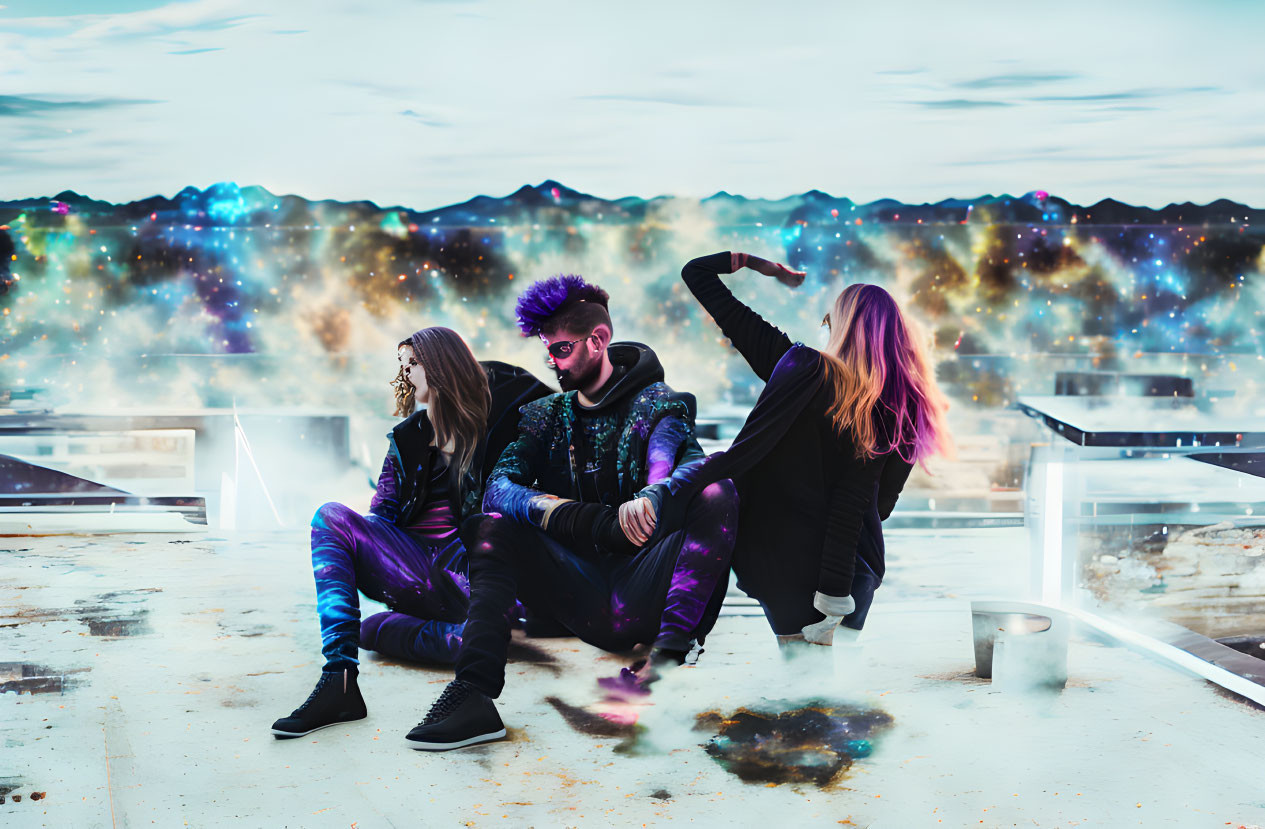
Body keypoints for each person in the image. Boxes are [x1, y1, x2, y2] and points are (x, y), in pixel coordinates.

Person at [404, 274, 739, 751]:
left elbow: (677, 467)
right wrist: (566, 513)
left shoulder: (659, 407)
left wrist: (652, 496)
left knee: (717, 492)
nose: (552, 361)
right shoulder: (544, 417)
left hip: (642, 587)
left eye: (560, 349)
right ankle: (474, 693)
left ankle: (668, 654)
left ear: (598, 341)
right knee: (488, 525)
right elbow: (498, 489)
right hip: (578, 591)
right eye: (548, 351)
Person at [639, 251, 952, 649]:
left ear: (839, 327)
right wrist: (835, 593)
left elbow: (695, 272)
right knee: (834, 700)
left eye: (828, 322)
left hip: (782, 562)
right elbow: (875, 506)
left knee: (801, 696)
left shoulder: (798, 366)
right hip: (853, 573)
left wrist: (757, 265)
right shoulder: (904, 410)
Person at [271, 327, 552, 739]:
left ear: (440, 365)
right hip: (413, 571)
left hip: (472, 573)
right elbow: (380, 518)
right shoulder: (405, 439)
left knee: (422, 635)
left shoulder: (496, 429)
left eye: (413, 364)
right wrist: (367, 548)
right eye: (403, 367)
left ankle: (445, 634)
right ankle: (340, 680)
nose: (406, 376)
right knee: (330, 518)